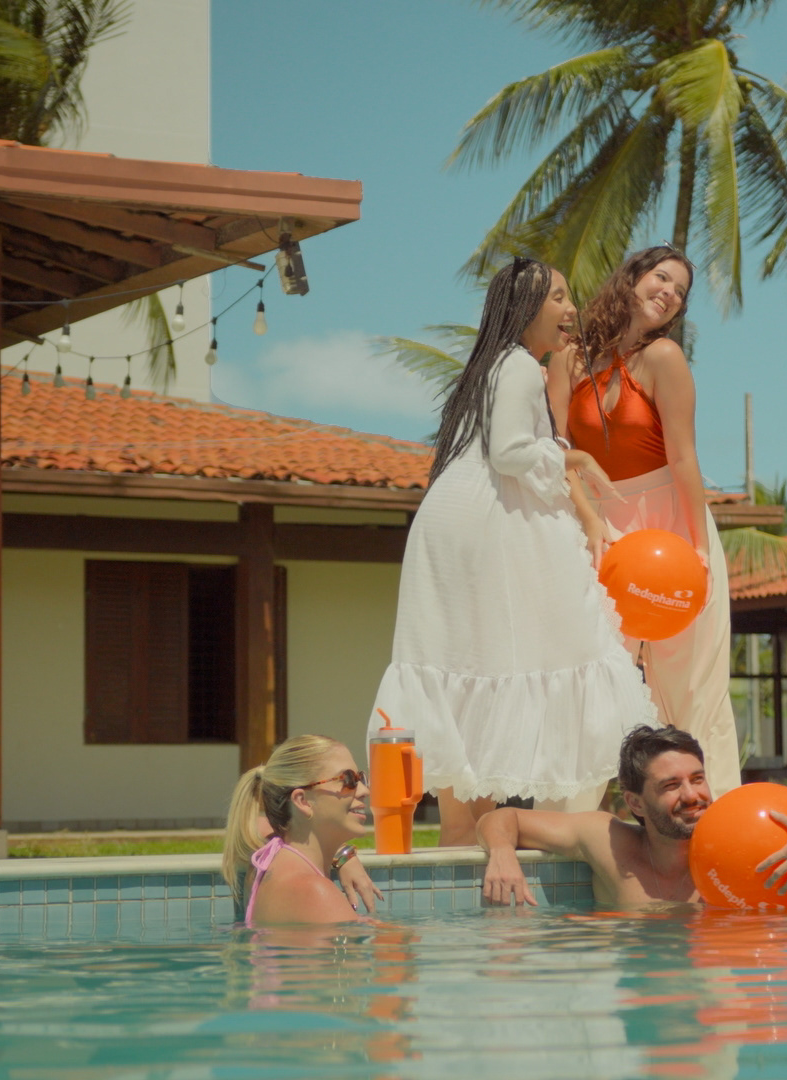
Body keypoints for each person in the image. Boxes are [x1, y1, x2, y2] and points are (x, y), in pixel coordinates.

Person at [369, 257, 656, 845]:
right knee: (524, 654)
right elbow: (508, 452)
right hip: (484, 524)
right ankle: (477, 836)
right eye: (558, 298)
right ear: (525, 309)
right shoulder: (520, 365)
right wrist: (572, 456)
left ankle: (460, 837)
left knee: (466, 669)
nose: (571, 309)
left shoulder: (492, 365)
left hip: (452, 523)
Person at [556, 246, 740, 794]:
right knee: (588, 680)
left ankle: (711, 816)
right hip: (598, 524)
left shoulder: (664, 357)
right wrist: (589, 520)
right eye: (662, 277)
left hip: (673, 523)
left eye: (680, 290)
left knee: (692, 691)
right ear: (632, 278)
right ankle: (569, 821)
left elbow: (683, 458)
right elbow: (554, 451)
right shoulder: (569, 359)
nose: (670, 293)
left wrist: (699, 550)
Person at [476, 726, 787, 909]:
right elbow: (505, 819)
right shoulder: (607, 841)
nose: (692, 796)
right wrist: (502, 852)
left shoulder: (747, 824)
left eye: (697, 778)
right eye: (671, 785)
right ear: (636, 802)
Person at [222, 735, 380, 927]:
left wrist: (342, 854)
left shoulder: (266, 862)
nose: (364, 791)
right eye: (347, 780)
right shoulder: (314, 891)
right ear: (302, 801)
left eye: (360, 778)